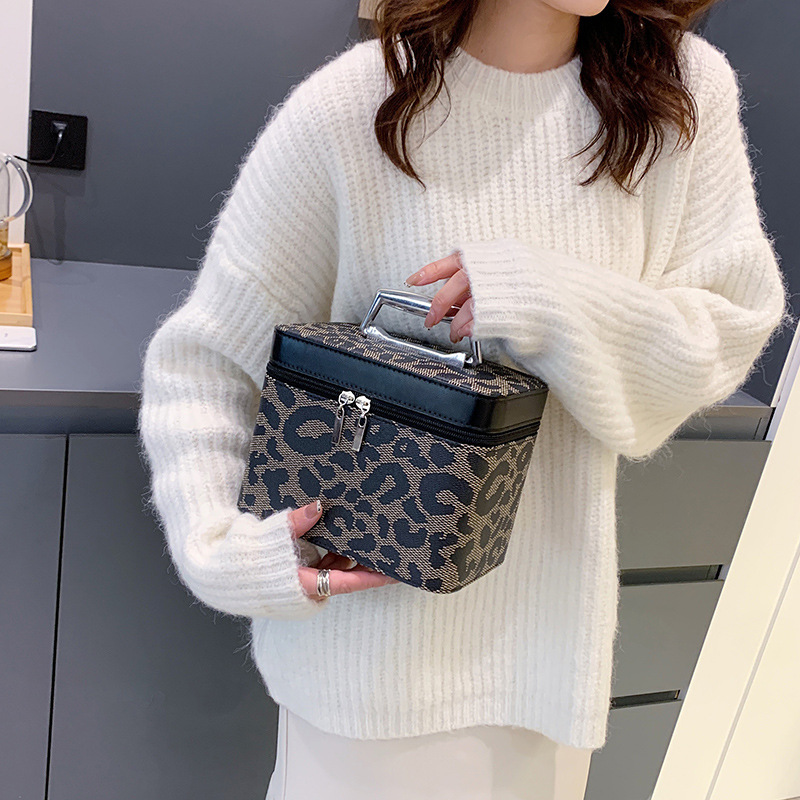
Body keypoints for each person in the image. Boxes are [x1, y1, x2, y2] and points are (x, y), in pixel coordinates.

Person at [136, 0, 793, 797]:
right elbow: (205, 364)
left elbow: (725, 328)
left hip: (544, 674)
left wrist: (546, 297)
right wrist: (224, 551)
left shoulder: (675, 95)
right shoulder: (353, 106)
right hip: (362, 681)